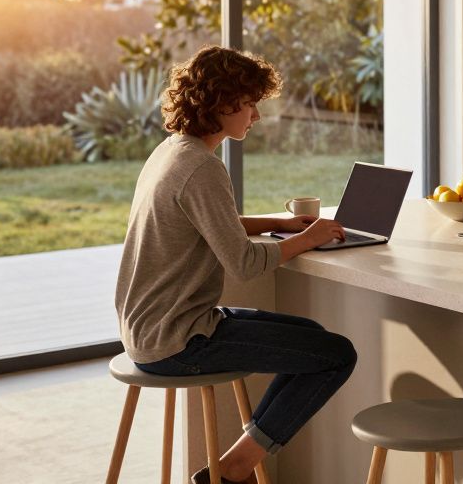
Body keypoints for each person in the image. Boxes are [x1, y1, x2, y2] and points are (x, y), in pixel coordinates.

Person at [115, 45, 356, 484]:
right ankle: (232, 471)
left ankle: (232, 466)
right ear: (222, 102)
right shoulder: (202, 168)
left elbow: (207, 223)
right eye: (250, 104)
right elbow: (243, 263)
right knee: (337, 354)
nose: (256, 116)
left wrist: (277, 222)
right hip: (178, 340)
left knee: (313, 341)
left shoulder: (172, 152)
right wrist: (308, 238)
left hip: (152, 328)